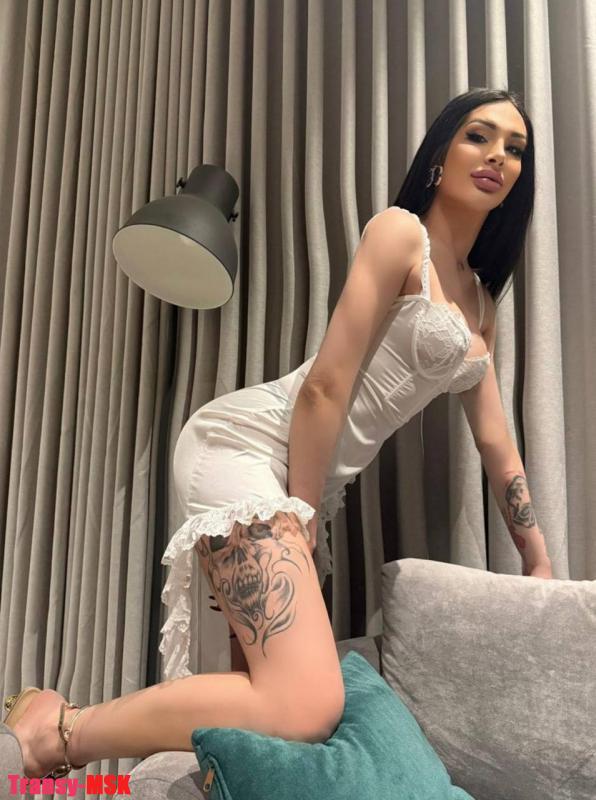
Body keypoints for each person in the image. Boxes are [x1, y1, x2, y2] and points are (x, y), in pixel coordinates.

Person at [3, 87, 554, 779]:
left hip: (300, 480)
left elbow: (497, 445)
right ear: (440, 156)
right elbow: (326, 385)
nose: (498, 155)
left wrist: (539, 563)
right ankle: (56, 728)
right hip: (245, 446)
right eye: (479, 135)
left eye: (515, 149)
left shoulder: (480, 303)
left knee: (270, 701)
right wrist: (302, 508)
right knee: (307, 704)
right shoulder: (399, 234)